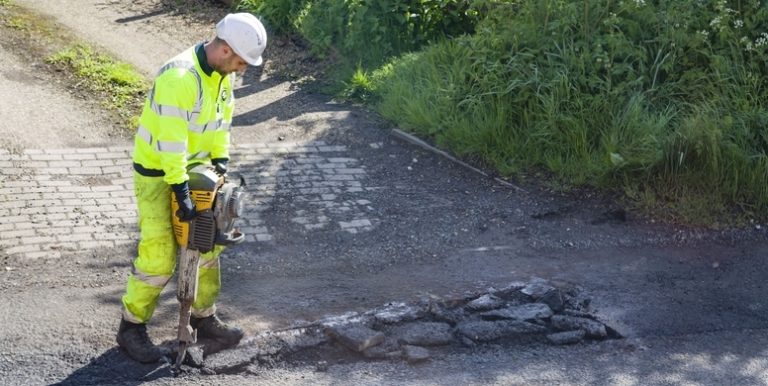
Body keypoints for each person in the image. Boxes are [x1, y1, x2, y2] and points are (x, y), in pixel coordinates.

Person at [116, 13, 267, 363]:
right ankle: (131, 327)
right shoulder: (180, 77)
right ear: (226, 49)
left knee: (208, 244)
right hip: (158, 174)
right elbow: (171, 142)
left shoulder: (221, 75)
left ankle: (204, 316)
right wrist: (181, 191)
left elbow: (219, 124)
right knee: (159, 255)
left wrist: (221, 162)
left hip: (199, 171)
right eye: (242, 61)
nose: (243, 69)